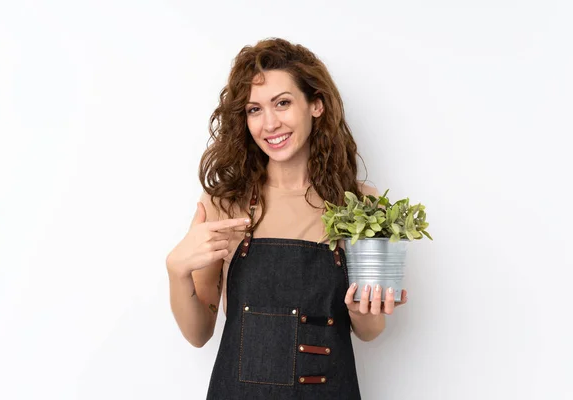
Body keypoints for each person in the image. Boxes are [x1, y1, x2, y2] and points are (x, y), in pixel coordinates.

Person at [166, 37, 407, 399]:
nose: (270, 123)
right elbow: (198, 334)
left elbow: (370, 331)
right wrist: (176, 269)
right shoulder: (224, 203)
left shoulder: (362, 206)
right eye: (254, 110)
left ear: (316, 105)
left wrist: (362, 310)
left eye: (282, 103)